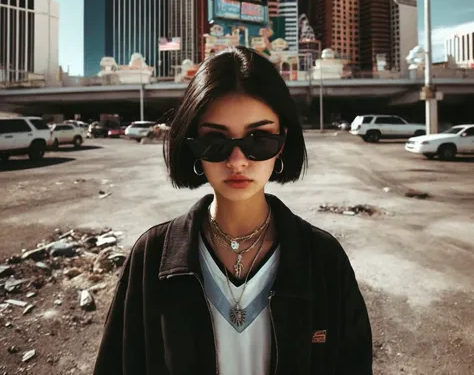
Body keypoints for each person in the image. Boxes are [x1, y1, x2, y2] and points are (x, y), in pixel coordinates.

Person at [93, 46, 373, 375]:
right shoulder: (151, 258)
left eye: (259, 139)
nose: (237, 161)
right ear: (192, 146)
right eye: (215, 140)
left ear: (282, 143)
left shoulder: (324, 260)